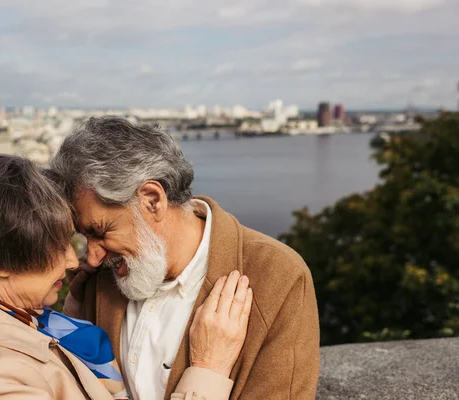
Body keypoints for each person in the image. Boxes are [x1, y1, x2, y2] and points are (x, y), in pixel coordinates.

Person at [0, 154, 253, 400]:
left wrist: (74, 304)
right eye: (54, 248)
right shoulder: (0, 382)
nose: (73, 261)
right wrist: (208, 370)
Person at [50, 116, 320, 400]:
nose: (91, 258)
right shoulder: (97, 279)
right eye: (84, 236)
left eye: (100, 231)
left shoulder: (278, 277)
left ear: (152, 200)